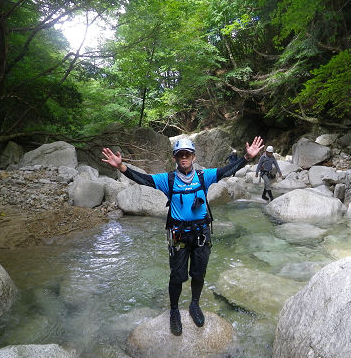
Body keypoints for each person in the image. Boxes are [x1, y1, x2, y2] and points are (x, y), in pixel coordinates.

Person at [102, 136, 264, 336]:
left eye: (187, 154)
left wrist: (246, 158)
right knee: (176, 276)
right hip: (177, 234)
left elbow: (226, 171)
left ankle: (195, 304)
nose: (184, 158)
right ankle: (174, 310)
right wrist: (122, 167)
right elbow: (144, 179)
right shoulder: (168, 180)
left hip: (201, 234)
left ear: (194, 157)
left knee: (198, 273)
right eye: (180, 155)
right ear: (175, 158)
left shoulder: (204, 176)